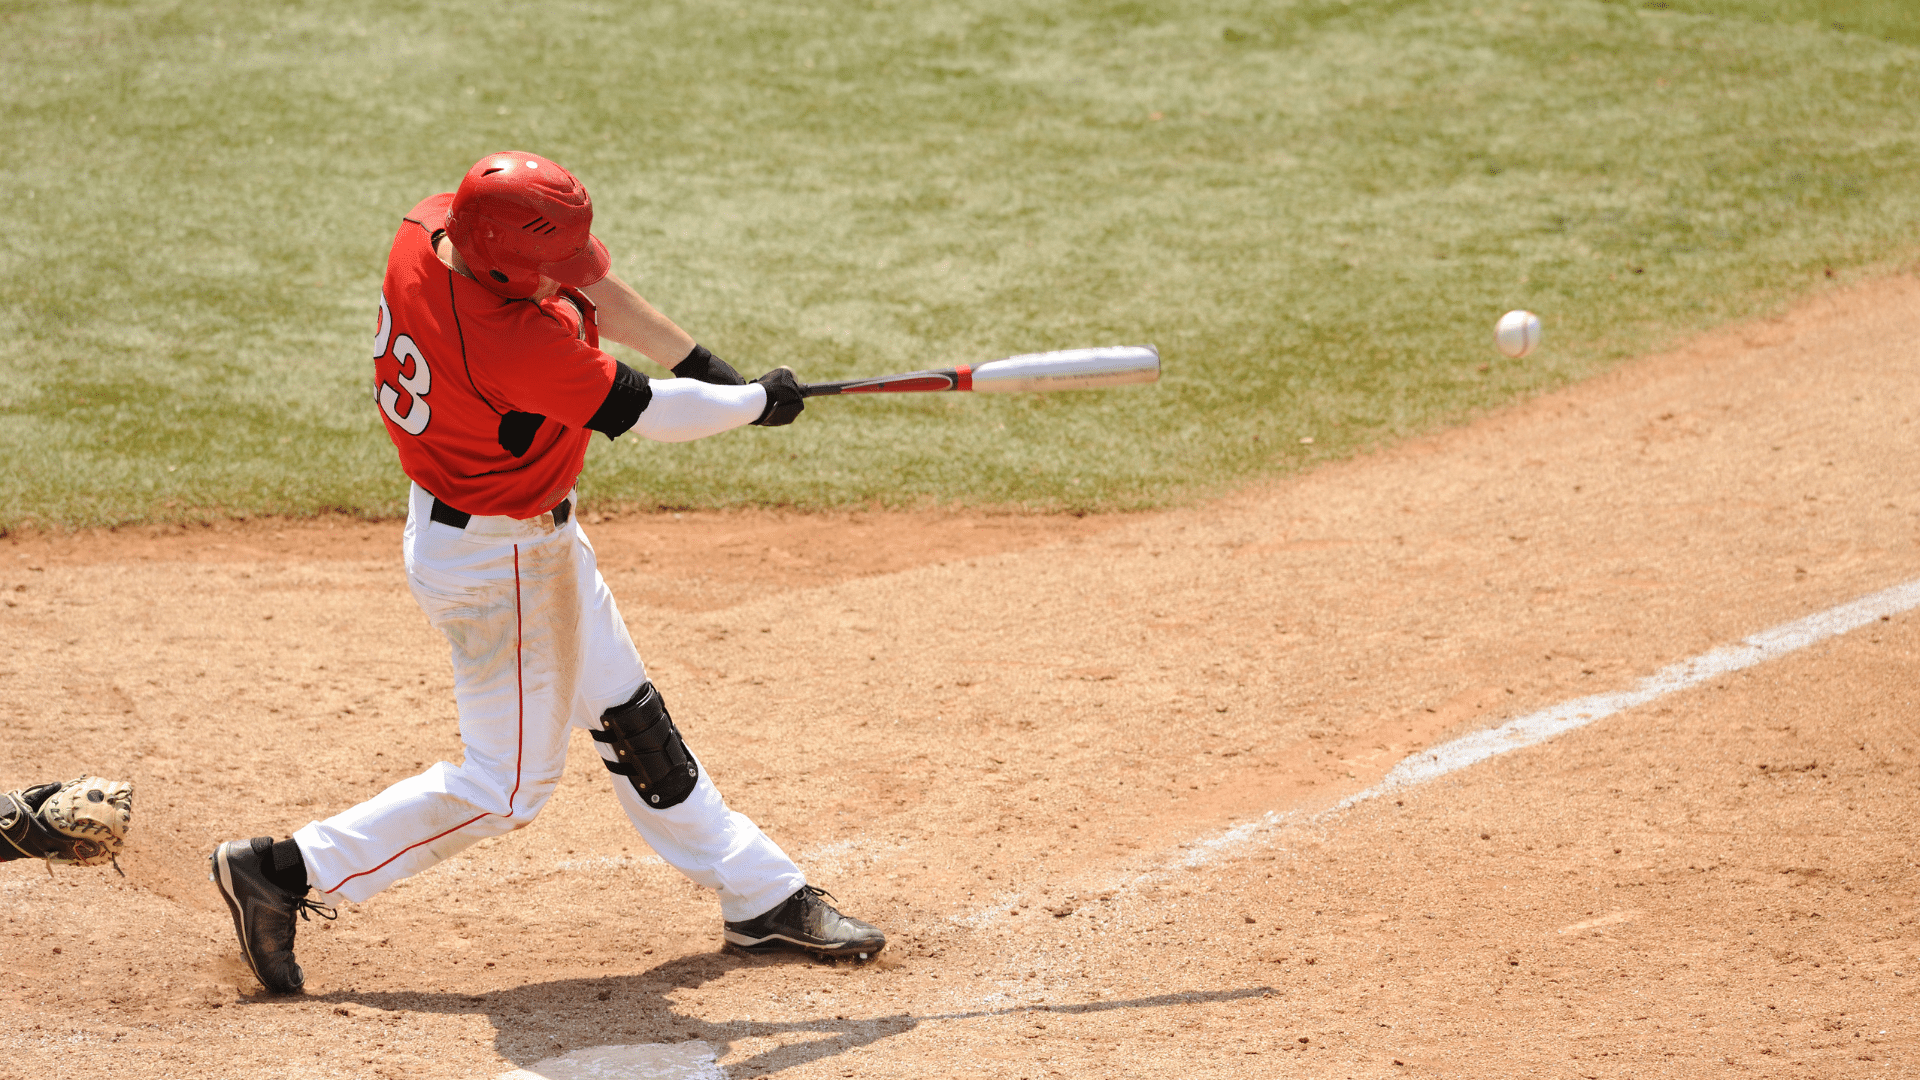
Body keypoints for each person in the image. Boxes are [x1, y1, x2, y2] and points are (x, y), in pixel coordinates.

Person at [209, 150, 883, 995]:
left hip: (510, 536)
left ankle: (760, 895)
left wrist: (702, 362)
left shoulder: (433, 226)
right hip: (502, 566)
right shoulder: (506, 342)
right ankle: (285, 871)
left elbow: (591, 290)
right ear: (502, 264)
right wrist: (753, 402)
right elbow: (648, 413)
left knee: (632, 720)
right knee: (507, 788)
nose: (568, 277)